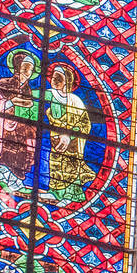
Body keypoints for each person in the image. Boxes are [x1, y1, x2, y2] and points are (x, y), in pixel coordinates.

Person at [0, 48, 39, 196]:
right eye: (25, 68)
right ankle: (4, 174)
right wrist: (11, 103)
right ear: (17, 67)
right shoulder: (5, 83)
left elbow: (30, 107)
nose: (28, 72)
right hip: (9, 124)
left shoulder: (28, 89)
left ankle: (15, 179)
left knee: (23, 152)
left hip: (25, 126)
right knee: (10, 148)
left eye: (31, 69)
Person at [45, 62, 92, 203]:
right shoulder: (50, 95)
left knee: (70, 166)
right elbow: (33, 96)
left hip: (73, 142)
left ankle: (70, 195)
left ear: (67, 82)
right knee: (54, 165)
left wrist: (69, 135)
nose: (54, 80)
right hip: (55, 138)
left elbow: (85, 124)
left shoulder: (76, 101)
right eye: (53, 77)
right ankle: (55, 192)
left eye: (59, 78)